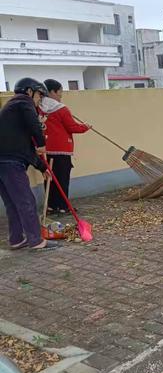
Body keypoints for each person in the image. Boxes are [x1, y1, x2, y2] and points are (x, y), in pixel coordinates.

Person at [0, 78, 58, 251]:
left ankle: (16, 239)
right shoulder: (23, 102)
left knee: (12, 202)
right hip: (10, 163)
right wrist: (41, 143)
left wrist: (42, 167)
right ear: (29, 91)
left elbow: (24, 147)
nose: (39, 100)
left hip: (4, 161)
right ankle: (36, 241)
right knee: (26, 201)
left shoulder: (11, 110)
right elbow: (35, 129)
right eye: (40, 95)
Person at [39, 79, 91, 214]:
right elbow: (72, 127)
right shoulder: (61, 108)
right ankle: (63, 206)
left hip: (45, 148)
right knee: (62, 179)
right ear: (51, 92)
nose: (61, 95)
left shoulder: (38, 108)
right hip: (62, 150)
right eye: (59, 92)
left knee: (50, 179)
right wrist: (85, 127)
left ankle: (51, 206)